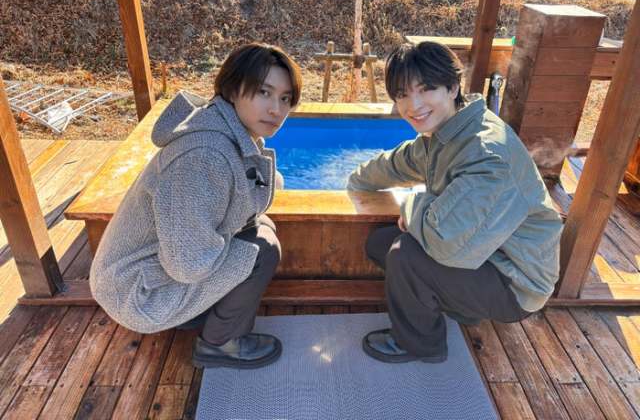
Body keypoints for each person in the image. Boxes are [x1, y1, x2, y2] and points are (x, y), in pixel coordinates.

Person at [347, 41, 562, 364]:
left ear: (452, 87)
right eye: (402, 94)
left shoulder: (486, 154)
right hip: (486, 256)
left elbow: (444, 243)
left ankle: (422, 345)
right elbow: (399, 163)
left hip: (515, 282)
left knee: (405, 256)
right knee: (380, 243)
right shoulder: (449, 132)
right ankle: (462, 307)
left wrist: (411, 205)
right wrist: (355, 181)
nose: (413, 105)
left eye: (426, 89)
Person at [90, 43, 302, 369]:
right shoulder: (203, 155)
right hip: (139, 295)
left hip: (136, 277)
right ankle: (219, 344)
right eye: (264, 92)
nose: (276, 109)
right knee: (262, 247)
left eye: (285, 98)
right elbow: (187, 265)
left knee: (258, 228)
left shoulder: (222, 128)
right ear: (233, 88)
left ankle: (200, 315)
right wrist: (235, 241)